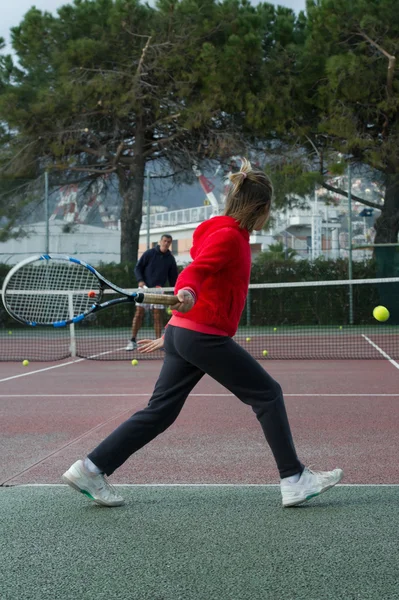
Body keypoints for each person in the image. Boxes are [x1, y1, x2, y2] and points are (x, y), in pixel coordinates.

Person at [62, 159, 343, 508]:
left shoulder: (225, 233)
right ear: (261, 207)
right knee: (268, 394)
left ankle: (91, 468)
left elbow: (204, 276)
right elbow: (196, 271)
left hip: (186, 333)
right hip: (201, 333)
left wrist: (175, 331)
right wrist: (187, 294)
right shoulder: (228, 237)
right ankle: (294, 478)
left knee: (160, 411)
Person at [125, 234, 178, 350]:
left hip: (159, 291)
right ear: (160, 241)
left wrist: (175, 291)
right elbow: (138, 268)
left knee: (157, 316)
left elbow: (173, 277)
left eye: (169, 242)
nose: (166, 243)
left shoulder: (170, 258)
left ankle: (158, 342)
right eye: (164, 241)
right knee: (139, 313)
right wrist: (140, 281)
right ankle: (132, 340)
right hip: (144, 289)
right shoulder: (149, 253)